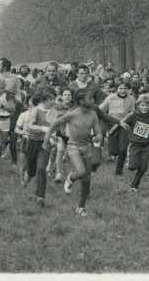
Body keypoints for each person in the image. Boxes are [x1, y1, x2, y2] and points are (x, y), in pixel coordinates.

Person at [44, 89, 103, 217]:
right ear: (81, 101)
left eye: (93, 98)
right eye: (90, 98)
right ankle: (70, 179)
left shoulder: (93, 114)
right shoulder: (73, 113)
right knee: (81, 172)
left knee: (87, 181)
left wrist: (98, 137)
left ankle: (81, 207)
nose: (92, 100)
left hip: (86, 147)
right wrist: (47, 138)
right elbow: (55, 123)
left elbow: (98, 131)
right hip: (73, 146)